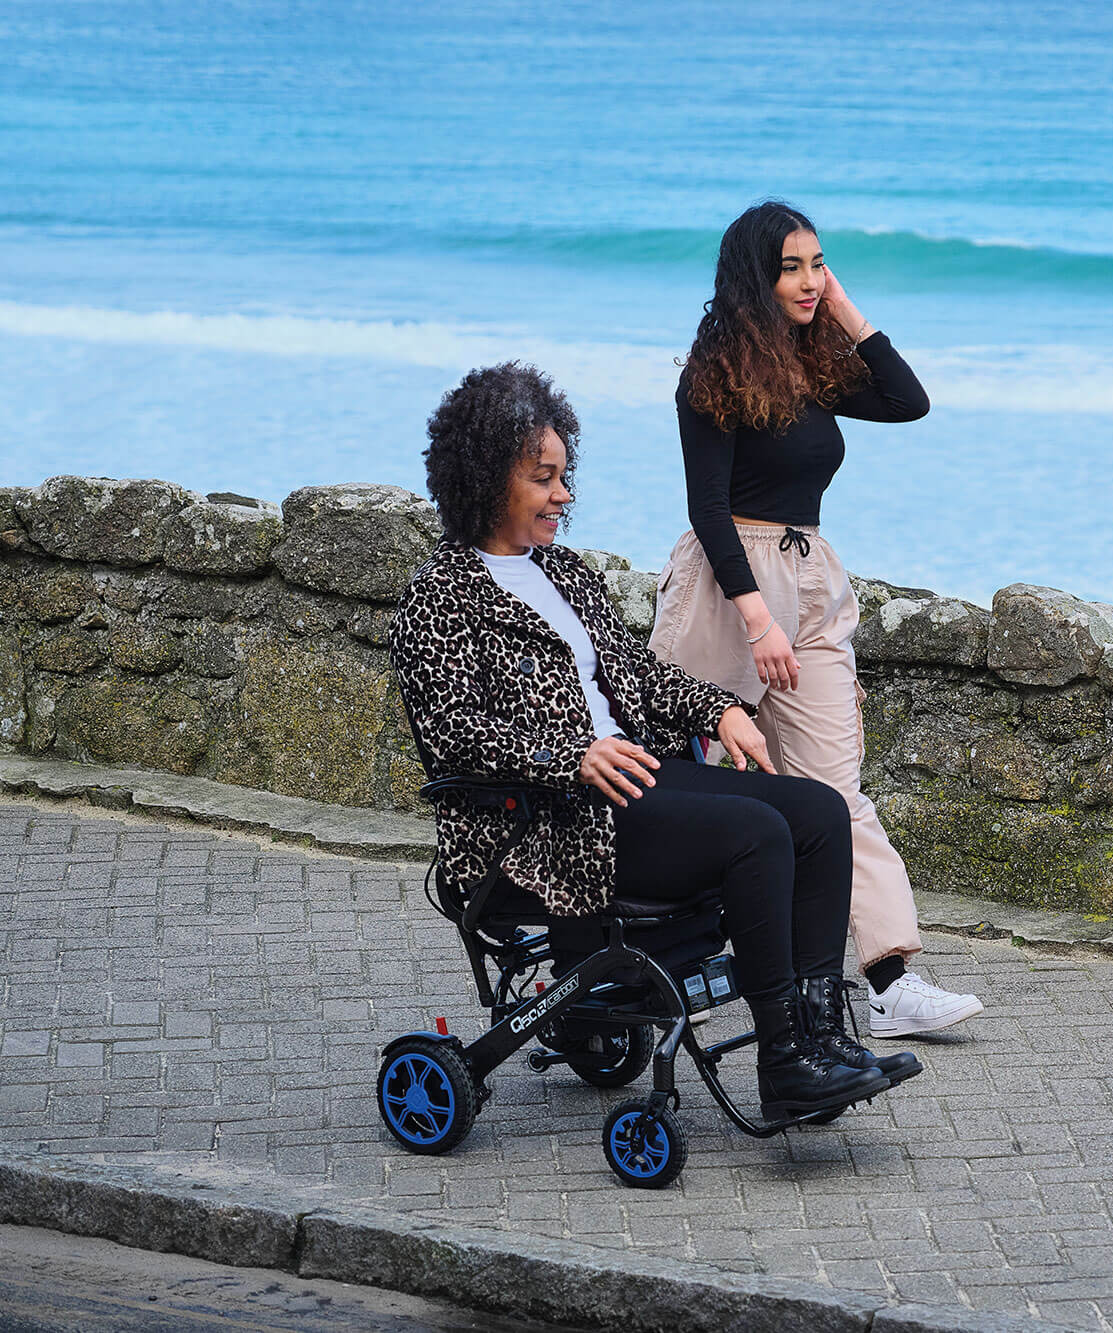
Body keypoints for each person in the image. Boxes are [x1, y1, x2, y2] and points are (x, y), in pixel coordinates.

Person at [391, 361, 919, 1121]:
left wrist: (718, 709)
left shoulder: (564, 572)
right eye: (543, 479)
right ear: (485, 478)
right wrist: (569, 757)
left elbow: (638, 673)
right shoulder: (438, 597)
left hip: (633, 779)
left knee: (818, 811)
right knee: (755, 832)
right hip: (546, 823)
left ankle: (820, 1037)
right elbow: (454, 735)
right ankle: (784, 1059)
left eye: (564, 476)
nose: (563, 495)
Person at [650, 200, 983, 1038]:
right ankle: (646, 958)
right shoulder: (714, 372)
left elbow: (909, 399)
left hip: (809, 577)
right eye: (792, 267)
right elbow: (707, 507)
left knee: (836, 792)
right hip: (728, 584)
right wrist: (757, 620)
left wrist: (842, 307)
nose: (809, 280)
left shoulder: (814, 363)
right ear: (754, 278)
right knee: (670, 769)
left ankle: (890, 983)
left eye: (819, 263)